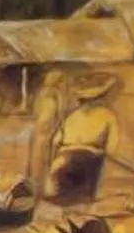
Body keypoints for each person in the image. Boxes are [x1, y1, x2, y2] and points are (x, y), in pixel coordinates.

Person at [41, 70, 122, 207]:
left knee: (62, 201)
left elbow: (55, 142)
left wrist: (52, 168)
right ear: (102, 96)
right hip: (87, 166)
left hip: (61, 165)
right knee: (82, 203)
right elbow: (111, 150)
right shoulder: (108, 115)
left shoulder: (71, 117)